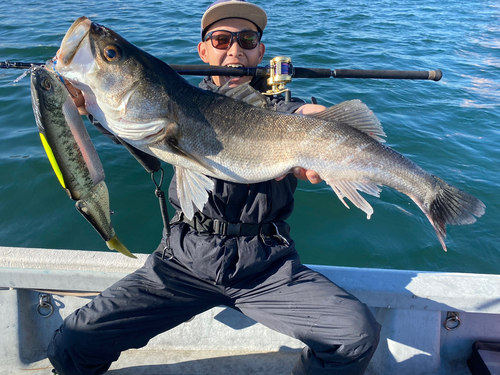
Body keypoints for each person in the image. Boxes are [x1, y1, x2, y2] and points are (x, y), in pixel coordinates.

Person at [47, 1, 381, 374]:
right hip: (183, 261)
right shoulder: (172, 98)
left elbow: (303, 118)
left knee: (355, 335)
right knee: (71, 345)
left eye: (247, 39)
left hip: (267, 267)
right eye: (221, 39)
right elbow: (140, 121)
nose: (234, 49)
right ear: (203, 50)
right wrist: (91, 104)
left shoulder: (281, 111)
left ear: (260, 51)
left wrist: (329, 128)